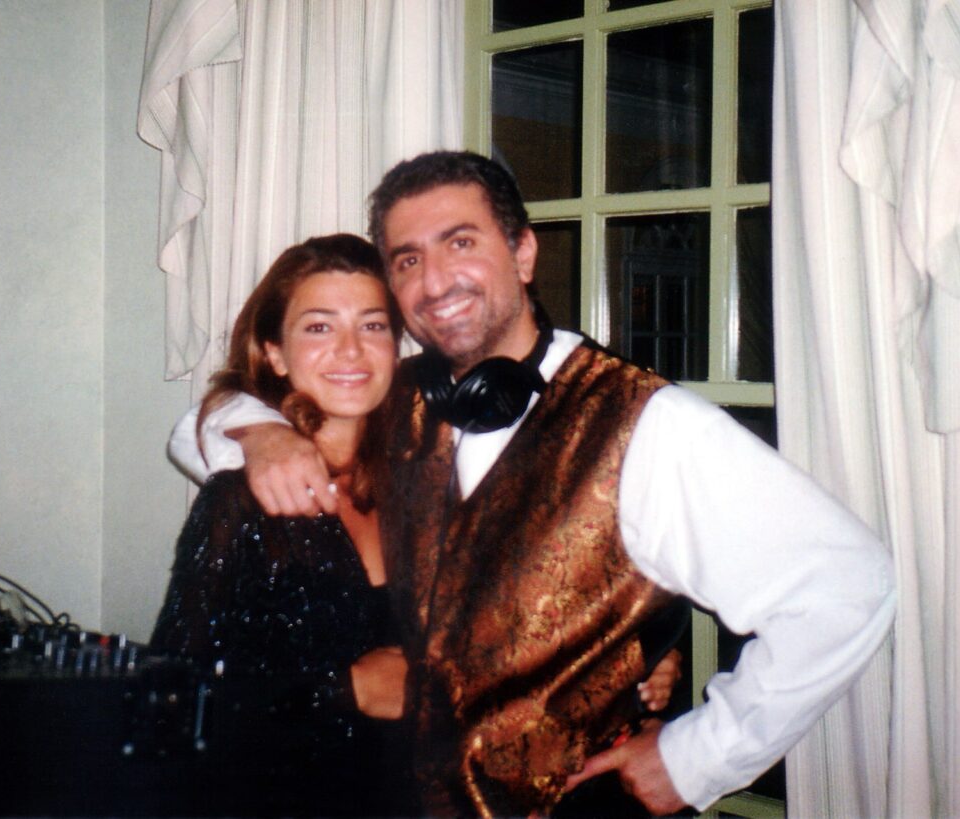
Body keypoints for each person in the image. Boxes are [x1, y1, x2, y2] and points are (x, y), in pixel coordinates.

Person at [168, 152, 896, 816]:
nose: (435, 281)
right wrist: (259, 431)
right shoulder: (403, 400)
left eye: (461, 243)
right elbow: (215, 429)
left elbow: (845, 585)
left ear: (522, 252)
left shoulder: (647, 423)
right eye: (409, 259)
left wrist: (696, 757)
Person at [150, 234, 417, 817]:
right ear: (275, 353)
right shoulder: (239, 503)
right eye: (319, 327)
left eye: (373, 326)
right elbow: (172, 697)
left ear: (396, 347)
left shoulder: (426, 486)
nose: (351, 350)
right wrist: (345, 689)